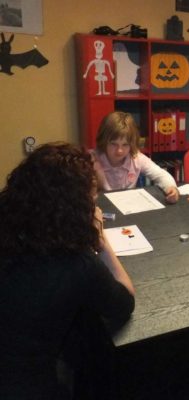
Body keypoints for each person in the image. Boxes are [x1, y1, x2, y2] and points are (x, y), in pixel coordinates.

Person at [0, 142, 135, 399]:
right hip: (23, 384)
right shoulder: (77, 261)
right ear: (76, 207)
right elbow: (124, 302)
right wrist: (101, 240)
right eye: (92, 198)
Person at [91, 111, 180, 203]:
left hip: (127, 207)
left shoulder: (136, 158)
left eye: (125, 145)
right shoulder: (92, 159)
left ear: (131, 144)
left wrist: (171, 188)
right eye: (113, 144)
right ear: (104, 141)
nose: (119, 151)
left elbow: (161, 175)